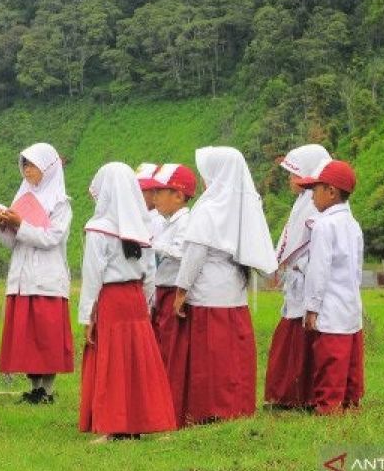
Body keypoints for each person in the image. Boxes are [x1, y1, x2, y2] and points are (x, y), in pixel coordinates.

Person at [170, 146, 277, 426]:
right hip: (234, 291)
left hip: (207, 293)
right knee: (232, 356)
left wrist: (181, 290)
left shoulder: (208, 207)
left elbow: (194, 254)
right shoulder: (244, 206)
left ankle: (208, 410)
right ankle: (237, 408)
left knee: (210, 357)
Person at [77, 162, 177, 442]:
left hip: (111, 298)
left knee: (112, 360)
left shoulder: (98, 229)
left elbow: (92, 276)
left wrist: (87, 315)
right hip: (134, 298)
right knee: (138, 360)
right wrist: (147, 303)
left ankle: (114, 425)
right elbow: (150, 273)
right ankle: (141, 419)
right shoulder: (142, 226)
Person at [0, 143, 74, 405]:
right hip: (22, 278)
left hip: (47, 279)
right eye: (24, 164)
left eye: (33, 165)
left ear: (48, 168)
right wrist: (5, 226)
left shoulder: (60, 203)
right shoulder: (21, 198)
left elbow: (51, 237)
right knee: (26, 338)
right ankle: (34, 388)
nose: (27, 170)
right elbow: (12, 243)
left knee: (45, 338)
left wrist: (20, 224)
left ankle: (47, 390)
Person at [264, 144, 331, 409]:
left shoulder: (315, 204)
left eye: (295, 174)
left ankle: (299, 395)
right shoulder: (304, 201)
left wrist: (290, 265)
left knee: (303, 336)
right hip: (298, 279)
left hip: (307, 278)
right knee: (291, 336)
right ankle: (289, 394)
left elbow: (313, 244)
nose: (291, 180)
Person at [297, 159, 365, 415]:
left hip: (329, 304)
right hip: (349, 303)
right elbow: (357, 269)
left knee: (330, 360)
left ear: (331, 192)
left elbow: (319, 269)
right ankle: (350, 403)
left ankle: (328, 407)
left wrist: (312, 307)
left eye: (315, 189)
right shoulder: (353, 225)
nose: (312, 196)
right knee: (350, 362)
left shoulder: (324, 225)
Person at [136, 163, 197, 371]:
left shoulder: (185, 221)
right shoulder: (167, 221)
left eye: (159, 192)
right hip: (162, 288)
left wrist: (151, 243)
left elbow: (180, 252)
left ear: (178, 196)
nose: (155, 198)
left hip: (173, 289)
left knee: (171, 343)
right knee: (162, 339)